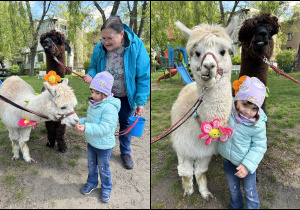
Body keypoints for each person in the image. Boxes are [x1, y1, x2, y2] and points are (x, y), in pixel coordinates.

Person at [82, 15, 150, 170]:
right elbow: (93, 66)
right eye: (103, 38)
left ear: (121, 35)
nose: (105, 42)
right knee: (103, 122)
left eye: (110, 38)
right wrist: (91, 75)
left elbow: (143, 76)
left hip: (126, 96)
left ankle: (125, 152)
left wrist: (140, 102)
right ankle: (103, 148)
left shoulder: (136, 46)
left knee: (125, 123)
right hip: (104, 96)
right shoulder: (100, 47)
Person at [218, 76, 267, 209]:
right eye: (245, 104)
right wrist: (198, 116)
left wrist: (247, 165)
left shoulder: (257, 125)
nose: (248, 111)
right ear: (237, 98)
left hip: (246, 165)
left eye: (254, 108)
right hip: (228, 160)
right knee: (233, 189)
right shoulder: (228, 110)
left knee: (250, 193)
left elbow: (259, 146)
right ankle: (236, 206)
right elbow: (210, 111)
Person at [75, 72, 121, 203]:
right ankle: (92, 182)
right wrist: (82, 121)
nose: (93, 95)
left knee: (103, 168)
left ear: (105, 93)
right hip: (92, 142)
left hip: (103, 146)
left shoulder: (110, 108)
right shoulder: (95, 103)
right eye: (92, 92)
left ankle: (106, 187)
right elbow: (91, 119)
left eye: (97, 93)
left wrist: (86, 128)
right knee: (91, 165)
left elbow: (105, 128)